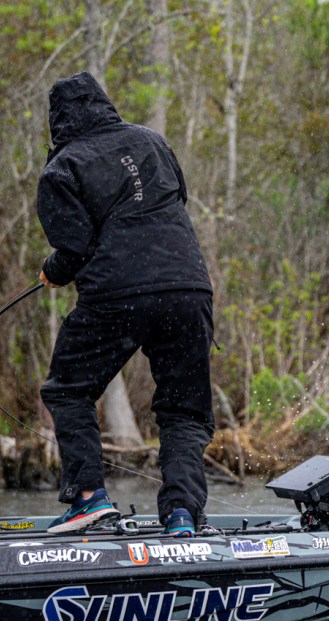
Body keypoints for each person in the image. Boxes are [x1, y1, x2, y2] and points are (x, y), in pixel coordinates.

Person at [36, 72, 214, 537]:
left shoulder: (62, 167)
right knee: (184, 409)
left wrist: (53, 270)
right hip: (189, 289)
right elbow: (176, 200)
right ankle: (182, 515)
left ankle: (88, 499)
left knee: (67, 390)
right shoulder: (152, 141)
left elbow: (74, 248)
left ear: (57, 120)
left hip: (117, 295)